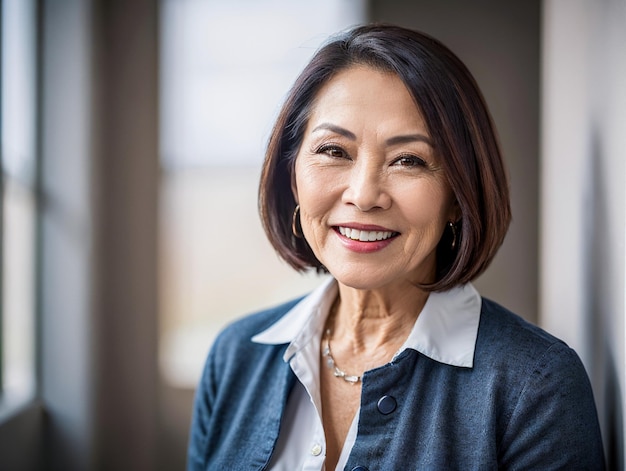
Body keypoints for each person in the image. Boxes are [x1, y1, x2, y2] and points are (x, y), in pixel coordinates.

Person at [187, 24, 605, 470]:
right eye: (333, 150)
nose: (364, 195)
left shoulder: (535, 385)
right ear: (293, 175)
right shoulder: (235, 355)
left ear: (458, 197)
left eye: (409, 160)